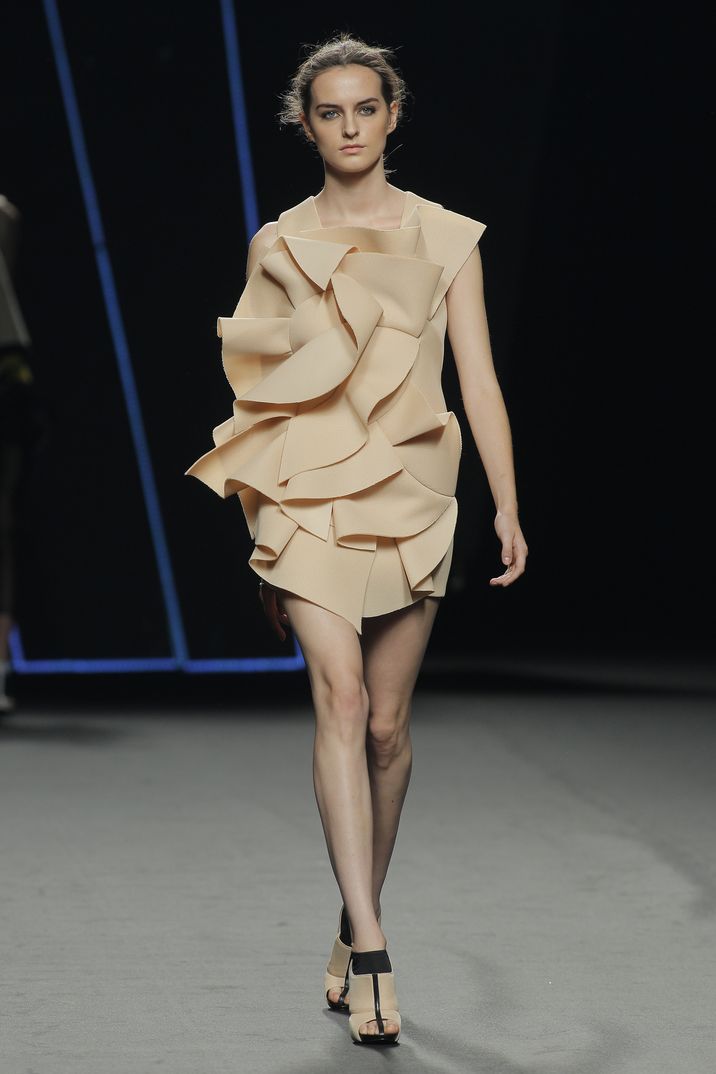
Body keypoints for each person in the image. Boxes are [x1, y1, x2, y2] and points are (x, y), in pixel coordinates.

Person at [187, 33, 528, 1046]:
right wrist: (260, 531)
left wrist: (506, 505)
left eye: (364, 109)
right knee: (337, 700)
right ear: (306, 124)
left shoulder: (445, 238)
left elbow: (478, 380)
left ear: (392, 116)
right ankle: (373, 944)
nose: (348, 127)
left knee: (385, 728)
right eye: (329, 112)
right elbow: (258, 396)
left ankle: (352, 909)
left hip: (412, 490)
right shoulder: (277, 244)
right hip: (303, 496)